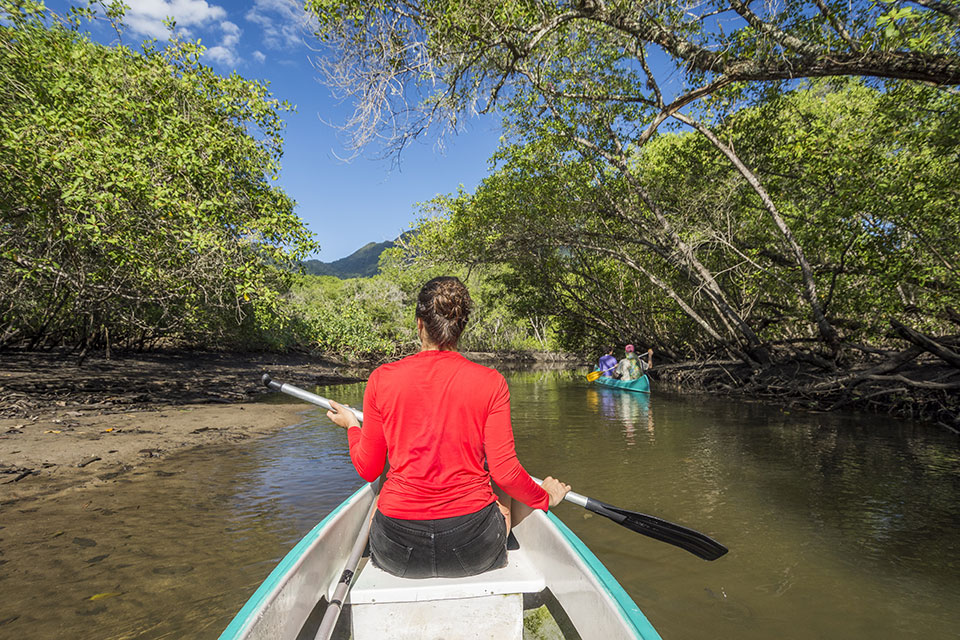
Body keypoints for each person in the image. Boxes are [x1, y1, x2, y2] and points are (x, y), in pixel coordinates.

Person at [325, 276, 571, 579]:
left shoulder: (381, 379)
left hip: (397, 552)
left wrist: (352, 425)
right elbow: (506, 473)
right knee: (497, 481)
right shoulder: (491, 382)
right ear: (461, 327)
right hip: (472, 550)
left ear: (419, 324)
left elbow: (368, 468)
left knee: (382, 492)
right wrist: (545, 496)